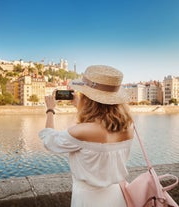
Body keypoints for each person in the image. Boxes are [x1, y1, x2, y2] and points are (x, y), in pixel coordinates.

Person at [38, 65, 134, 207]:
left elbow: (49, 140)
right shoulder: (129, 127)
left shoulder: (81, 132)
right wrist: (79, 105)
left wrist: (50, 110)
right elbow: (102, 124)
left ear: (88, 98)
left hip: (88, 199)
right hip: (116, 196)